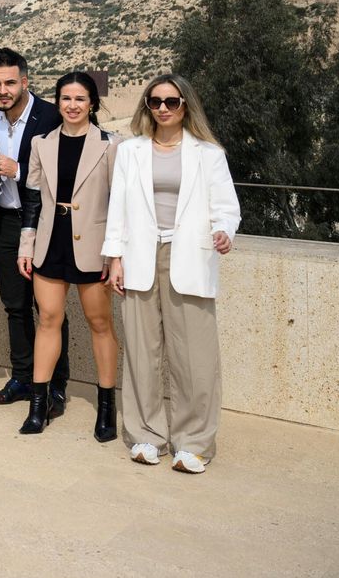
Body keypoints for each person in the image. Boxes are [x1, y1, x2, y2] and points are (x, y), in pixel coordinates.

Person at [103, 74, 240, 474]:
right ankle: (146, 435)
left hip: (190, 258)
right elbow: (118, 208)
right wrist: (114, 257)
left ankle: (193, 443)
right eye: (155, 101)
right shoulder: (130, 151)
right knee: (142, 353)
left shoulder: (209, 154)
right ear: (147, 106)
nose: (163, 108)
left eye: (171, 101)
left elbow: (227, 206)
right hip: (140, 257)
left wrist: (223, 232)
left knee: (194, 357)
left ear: (186, 105)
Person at [17, 73, 119, 439]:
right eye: (65, 98)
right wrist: (26, 246)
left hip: (93, 246)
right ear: (57, 102)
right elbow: (30, 198)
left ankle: (107, 408)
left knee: (100, 323)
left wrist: (115, 254)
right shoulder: (41, 143)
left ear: (92, 103)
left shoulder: (110, 146)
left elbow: (119, 205)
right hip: (49, 240)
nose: (72, 105)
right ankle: (38, 407)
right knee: (48, 319)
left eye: (80, 99)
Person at [0, 47, 64, 411]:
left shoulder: (51, 115)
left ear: (24, 81)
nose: (3, 90)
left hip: (44, 223)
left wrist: (19, 171)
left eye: (10, 82)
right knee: (14, 305)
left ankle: (54, 387)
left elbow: (64, 174)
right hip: (3, 222)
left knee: (50, 309)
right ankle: (22, 379)